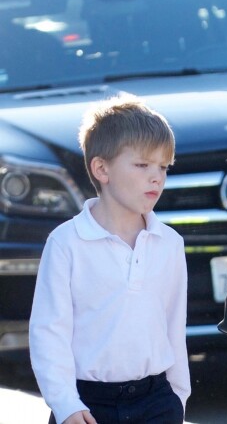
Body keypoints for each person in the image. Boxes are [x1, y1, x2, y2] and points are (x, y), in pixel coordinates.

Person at [29, 96, 190, 424]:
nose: (156, 177)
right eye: (143, 165)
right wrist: (65, 404)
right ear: (101, 169)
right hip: (87, 405)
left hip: (157, 400)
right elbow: (49, 332)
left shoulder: (169, 244)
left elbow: (174, 326)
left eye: (163, 166)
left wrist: (178, 395)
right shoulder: (66, 243)